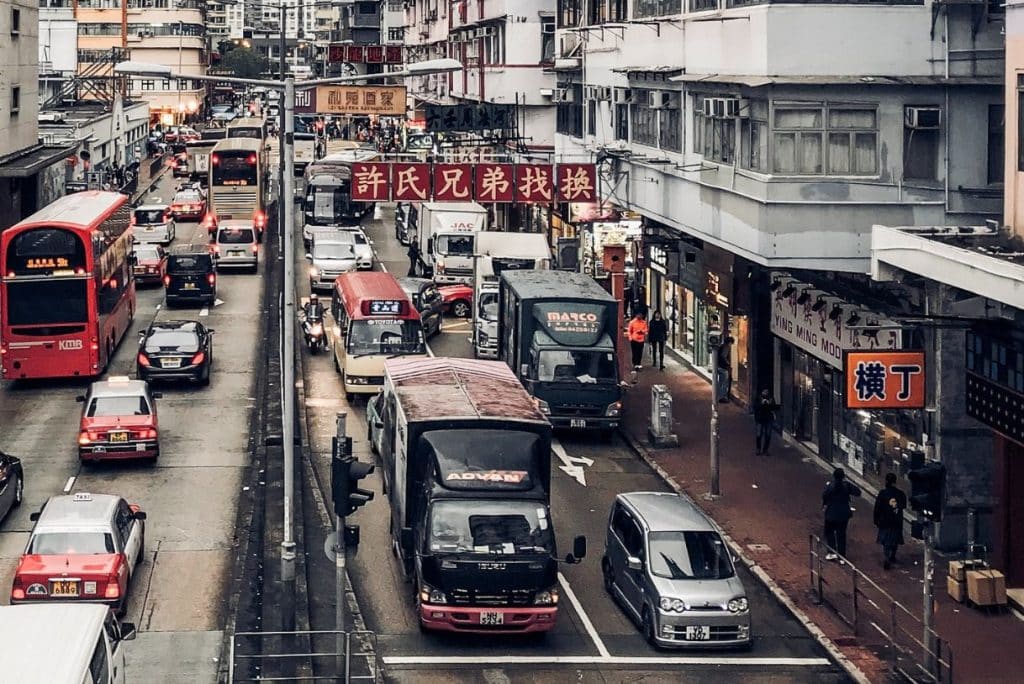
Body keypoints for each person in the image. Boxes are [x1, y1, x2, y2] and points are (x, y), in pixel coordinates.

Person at [822, 468, 862, 562]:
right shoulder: (846, 485)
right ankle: (841, 556)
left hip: (831, 513)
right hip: (843, 514)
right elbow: (858, 492)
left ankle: (831, 552)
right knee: (841, 534)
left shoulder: (830, 486)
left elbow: (824, 496)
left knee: (829, 533)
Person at [873, 473, 907, 570]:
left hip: (885, 521)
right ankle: (892, 556)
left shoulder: (883, 493)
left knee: (885, 540)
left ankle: (887, 556)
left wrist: (876, 520)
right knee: (895, 539)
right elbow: (903, 506)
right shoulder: (900, 494)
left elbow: (877, 508)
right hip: (896, 521)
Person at [753, 389, 780, 455]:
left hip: (768, 419)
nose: (765, 393)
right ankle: (758, 449)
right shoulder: (758, 398)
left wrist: (769, 404)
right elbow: (755, 407)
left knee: (768, 435)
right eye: (764, 391)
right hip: (760, 419)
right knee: (759, 434)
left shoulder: (771, 399)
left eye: (767, 392)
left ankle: (765, 450)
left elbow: (774, 407)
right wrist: (761, 403)